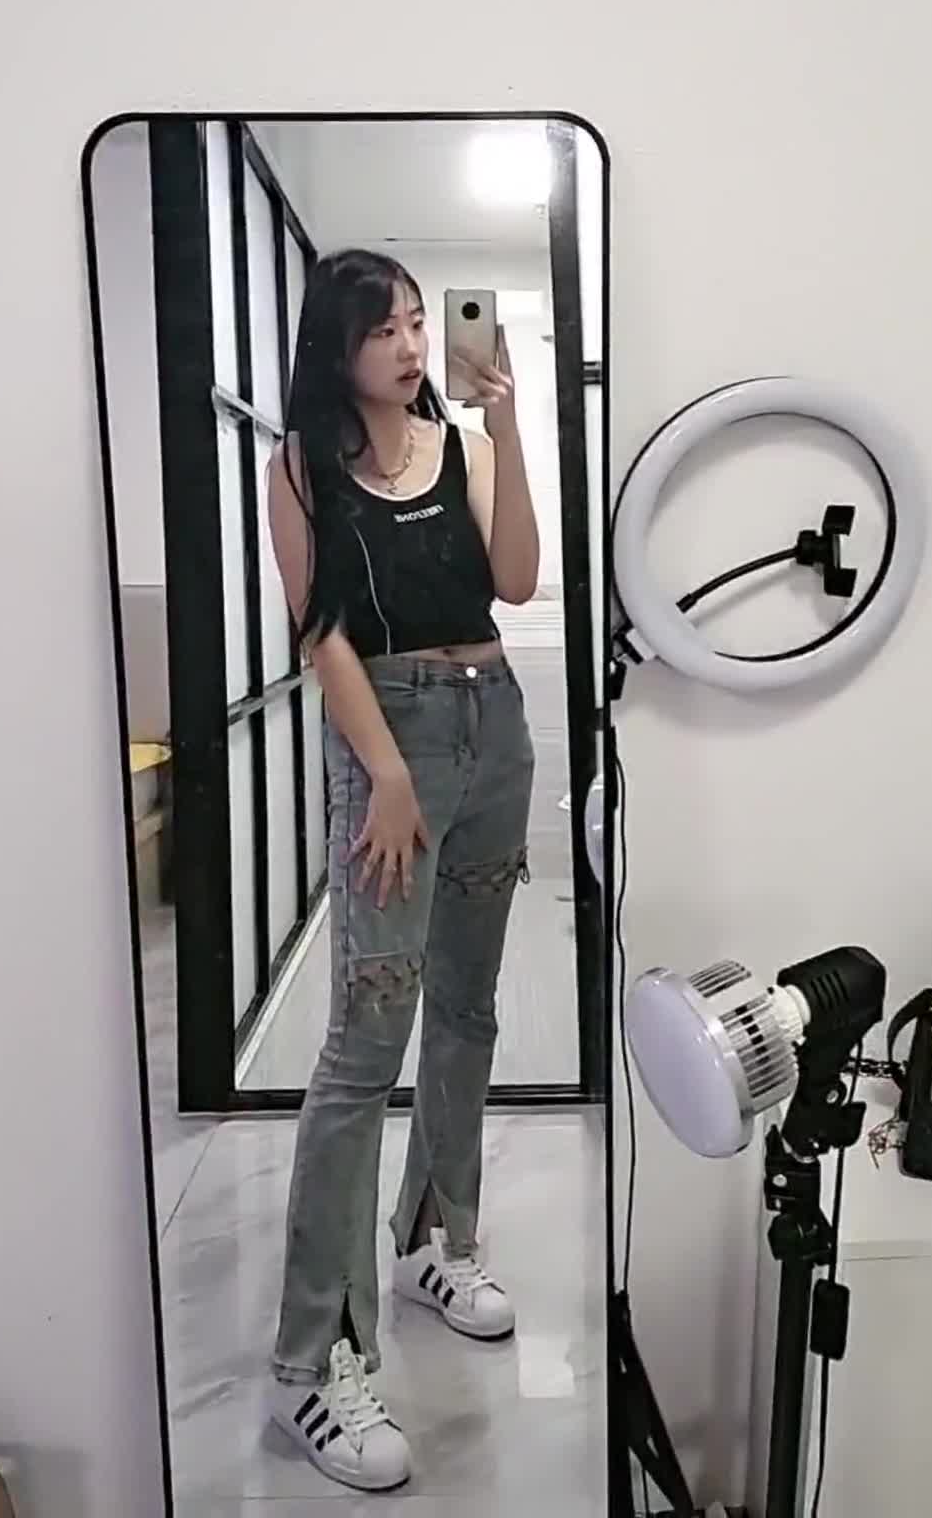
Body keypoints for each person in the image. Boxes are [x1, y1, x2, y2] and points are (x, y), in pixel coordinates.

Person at [265, 247, 539, 1491]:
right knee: (364, 1046)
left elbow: (517, 581)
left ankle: (436, 1237)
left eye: (421, 321)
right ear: (338, 347)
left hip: (496, 728)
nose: (414, 344)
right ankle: (315, 1361)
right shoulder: (301, 467)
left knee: (468, 1010)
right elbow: (320, 629)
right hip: (395, 743)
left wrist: (509, 431)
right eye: (385, 328)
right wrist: (381, 772)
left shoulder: (464, 449)